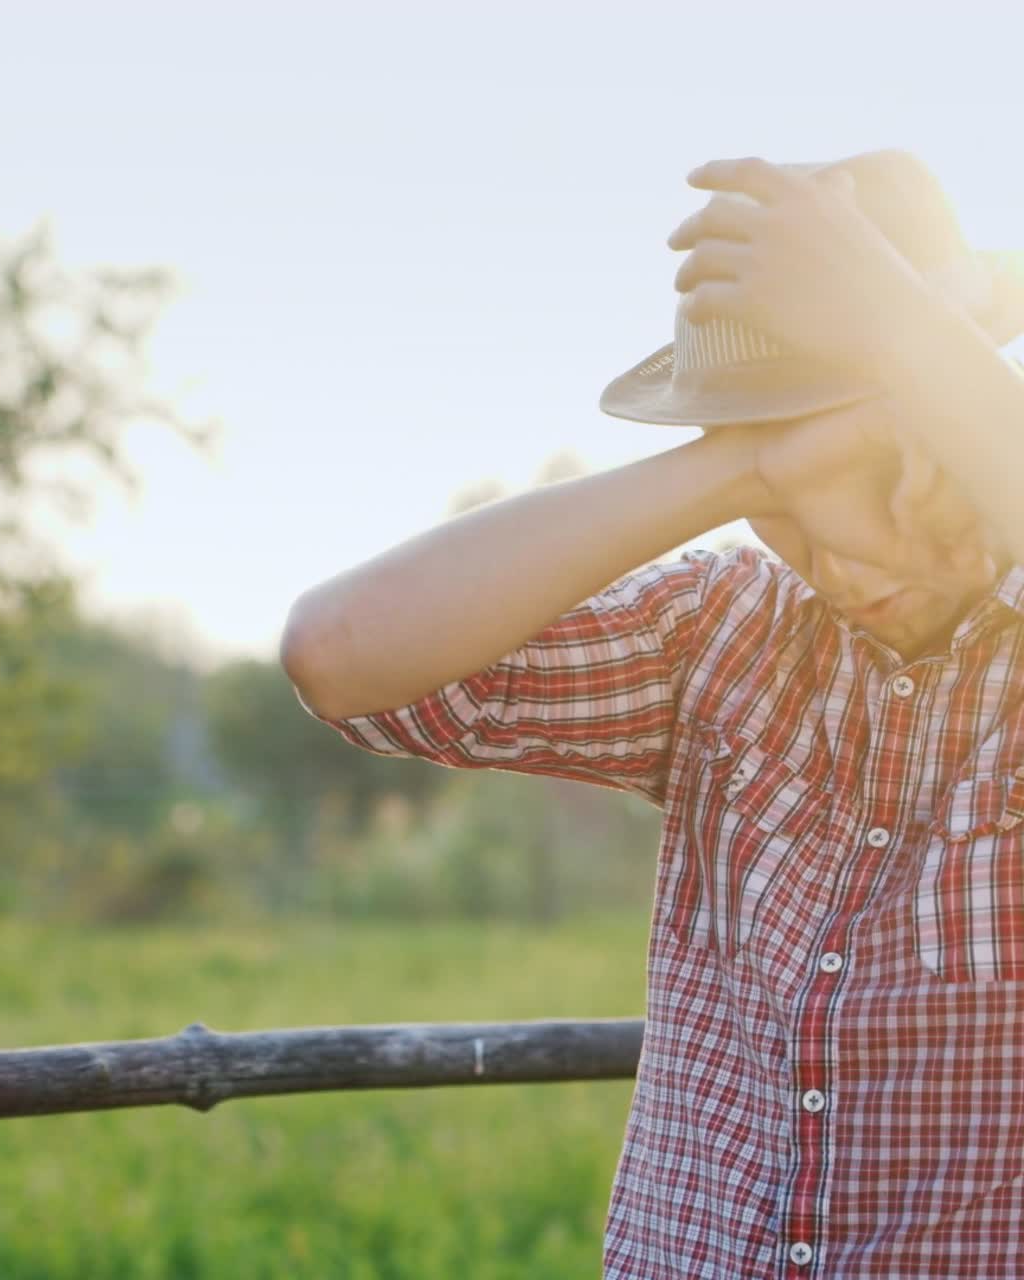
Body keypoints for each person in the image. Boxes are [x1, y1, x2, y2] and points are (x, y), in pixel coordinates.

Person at [280, 150, 1024, 1277]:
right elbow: (340, 656)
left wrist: (904, 345)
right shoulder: (714, 627)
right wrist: (734, 463)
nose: (832, 559)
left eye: (871, 466)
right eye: (782, 509)